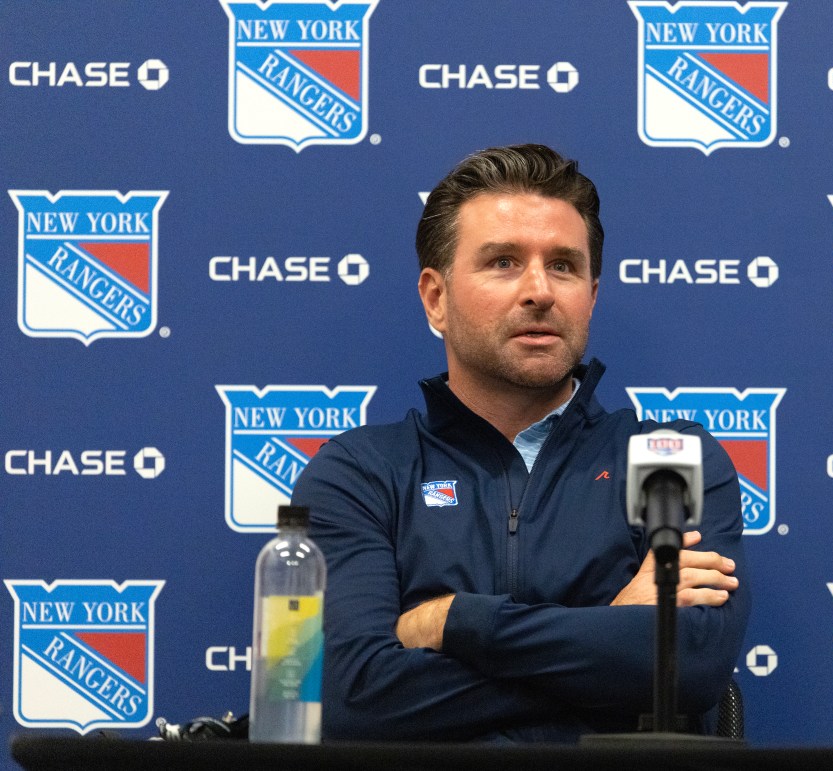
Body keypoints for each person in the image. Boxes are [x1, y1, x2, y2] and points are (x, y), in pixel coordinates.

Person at [291, 144, 749, 743]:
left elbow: (686, 666)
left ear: (591, 293)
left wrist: (455, 621)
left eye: (563, 265)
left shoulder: (666, 457)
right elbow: (348, 698)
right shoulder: (361, 473)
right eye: (504, 262)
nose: (540, 290)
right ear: (436, 298)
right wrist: (609, 636)